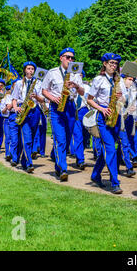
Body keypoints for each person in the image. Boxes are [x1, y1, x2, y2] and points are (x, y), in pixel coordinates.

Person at [41, 48, 84, 181]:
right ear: (61, 58)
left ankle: (58, 166)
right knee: (60, 139)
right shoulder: (52, 72)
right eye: (68, 57)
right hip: (56, 107)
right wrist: (52, 98)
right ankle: (64, 168)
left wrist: (76, 86)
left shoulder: (76, 73)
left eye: (72, 58)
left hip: (70, 106)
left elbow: (82, 93)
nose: (70, 60)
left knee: (67, 137)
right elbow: (44, 90)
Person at [87, 53, 124, 194]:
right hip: (102, 118)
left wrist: (121, 98)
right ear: (105, 64)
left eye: (115, 63)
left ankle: (96, 175)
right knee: (111, 149)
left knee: (106, 150)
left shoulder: (118, 81)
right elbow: (89, 99)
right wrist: (102, 109)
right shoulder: (98, 80)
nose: (113, 66)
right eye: (111, 63)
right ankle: (115, 182)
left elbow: (124, 101)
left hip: (115, 117)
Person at [12, 61, 45, 173]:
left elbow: (42, 99)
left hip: (35, 110)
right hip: (23, 109)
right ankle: (29, 163)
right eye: (28, 68)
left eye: (32, 69)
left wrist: (36, 96)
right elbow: (14, 98)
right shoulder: (18, 83)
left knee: (31, 136)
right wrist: (16, 107)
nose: (30, 70)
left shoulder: (39, 83)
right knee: (27, 137)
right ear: (25, 70)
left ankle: (24, 160)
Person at [116, 73, 136, 177]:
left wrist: (134, 107)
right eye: (129, 79)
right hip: (121, 118)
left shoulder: (132, 90)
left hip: (129, 118)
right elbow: (119, 103)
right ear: (123, 80)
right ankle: (129, 167)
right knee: (125, 143)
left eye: (132, 79)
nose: (131, 82)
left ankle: (116, 165)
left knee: (122, 144)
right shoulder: (119, 89)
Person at [71, 70, 91, 170]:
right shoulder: (70, 87)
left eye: (80, 75)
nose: (79, 76)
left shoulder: (87, 87)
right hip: (75, 110)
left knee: (85, 136)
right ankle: (80, 160)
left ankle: (80, 155)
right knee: (77, 135)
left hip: (85, 111)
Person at [0, 84, 13, 162]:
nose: (8, 92)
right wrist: (7, 107)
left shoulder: (14, 98)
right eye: (7, 91)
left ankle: (13, 153)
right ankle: (7, 154)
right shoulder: (3, 100)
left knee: (13, 137)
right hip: (6, 119)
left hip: (13, 118)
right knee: (8, 136)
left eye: (10, 91)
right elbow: (2, 111)